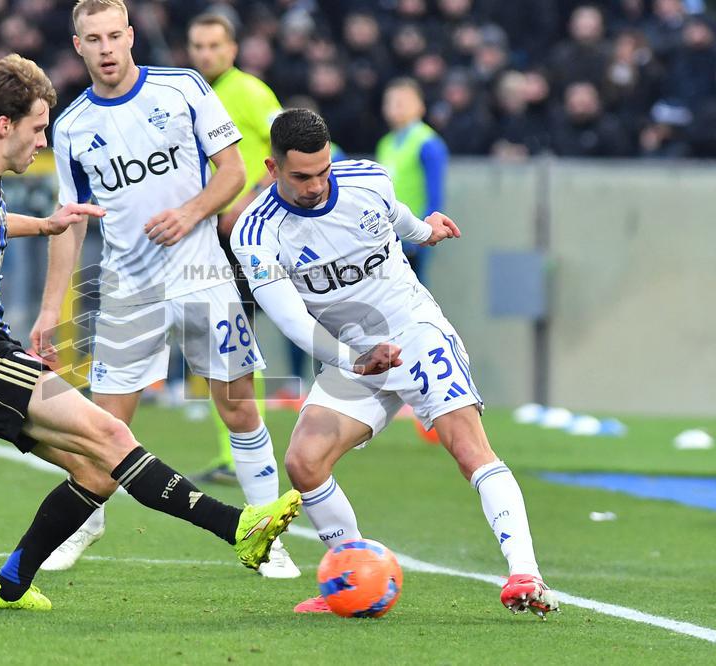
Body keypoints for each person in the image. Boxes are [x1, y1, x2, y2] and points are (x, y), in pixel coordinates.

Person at [0, 53, 301, 612]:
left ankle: (9, 586)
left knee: (97, 471)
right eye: (36, 129)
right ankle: (238, 528)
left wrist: (46, 225)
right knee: (111, 434)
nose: (42, 142)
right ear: (4, 125)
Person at [231, 108, 559, 618]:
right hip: (350, 354)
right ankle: (351, 577)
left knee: (468, 448)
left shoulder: (368, 180)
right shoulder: (255, 234)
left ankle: (525, 576)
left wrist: (425, 232)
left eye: (323, 171)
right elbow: (293, 321)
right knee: (304, 461)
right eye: (301, 177)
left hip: (415, 332)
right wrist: (354, 359)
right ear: (272, 169)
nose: (316, 185)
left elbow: (399, 217)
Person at [29, 0, 298, 578]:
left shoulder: (183, 88)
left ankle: (268, 536)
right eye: (93, 39)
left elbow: (233, 170)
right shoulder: (72, 127)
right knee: (104, 426)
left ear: (130, 36)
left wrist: (190, 213)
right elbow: (70, 222)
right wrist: (51, 310)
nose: (105, 48)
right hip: (129, 291)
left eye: (113, 35)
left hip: (203, 277)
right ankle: (85, 524)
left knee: (238, 406)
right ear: (78, 46)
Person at [187, 12, 301, 502]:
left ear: (233, 49)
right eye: (198, 46)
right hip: (215, 235)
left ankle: (247, 455)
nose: (206, 53)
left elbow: (290, 143)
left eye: (214, 45)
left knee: (236, 339)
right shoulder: (193, 93)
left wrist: (250, 197)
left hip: (251, 235)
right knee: (226, 339)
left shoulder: (250, 92)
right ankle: (233, 454)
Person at [374, 78, 447, 286]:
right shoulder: (385, 143)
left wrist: (424, 233)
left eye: (402, 102)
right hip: (389, 235)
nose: (394, 108)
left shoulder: (428, 143)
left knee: (414, 289)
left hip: (414, 234)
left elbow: (435, 196)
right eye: (390, 102)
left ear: (420, 106)